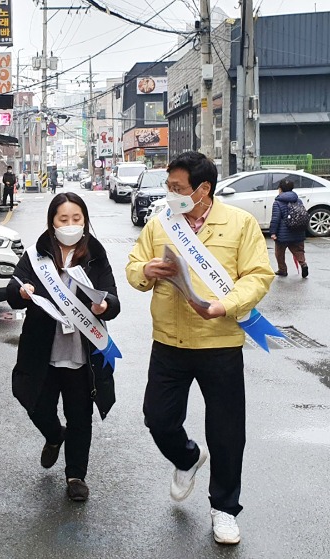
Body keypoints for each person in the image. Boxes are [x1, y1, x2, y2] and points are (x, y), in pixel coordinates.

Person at [126, 151, 274, 545]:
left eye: (177, 188)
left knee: (227, 431)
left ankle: (224, 509)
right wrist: (145, 271)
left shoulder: (239, 224)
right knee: (157, 418)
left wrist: (224, 305)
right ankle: (188, 458)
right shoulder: (162, 224)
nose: (170, 193)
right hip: (169, 341)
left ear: (203, 189)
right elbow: (134, 265)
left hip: (219, 341)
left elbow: (259, 275)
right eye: (169, 187)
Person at [7, 192, 121, 502]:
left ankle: (75, 475)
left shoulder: (95, 254)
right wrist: (23, 290)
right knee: (33, 401)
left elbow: (113, 299)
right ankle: (54, 435)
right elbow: (13, 290)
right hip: (42, 348)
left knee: (80, 415)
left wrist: (103, 307)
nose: (70, 225)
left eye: (76, 219)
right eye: (63, 219)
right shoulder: (36, 255)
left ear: (85, 221)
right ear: (52, 222)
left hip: (82, 352)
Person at [269, 179, 308, 278]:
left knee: (280, 253)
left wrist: (273, 232)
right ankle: (303, 264)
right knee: (298, 250)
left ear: (280, 189)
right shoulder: (298, 200)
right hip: (298, 231)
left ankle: (282, 270)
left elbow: (275, 219)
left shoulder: (278, 202)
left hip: (283, 234)